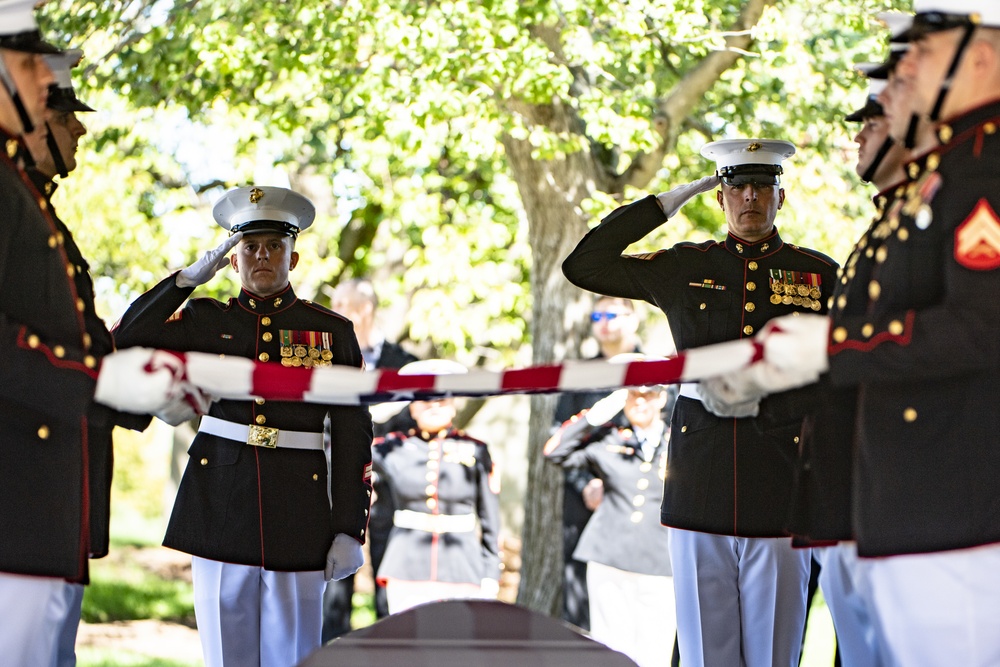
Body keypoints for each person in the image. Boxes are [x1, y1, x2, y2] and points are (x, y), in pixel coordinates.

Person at [709, 3, 1000, 664]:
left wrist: (827, 348)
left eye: (918, 61)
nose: (900, 83)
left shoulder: (981, 172)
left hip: (955, 500)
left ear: (981, 59)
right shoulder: (941, 183)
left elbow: (981, 328)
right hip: (902, 498)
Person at [562, 139, 838, 667]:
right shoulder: (684, 265)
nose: (750, 196)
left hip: (779, 488)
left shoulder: (818, 275)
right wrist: (667, 202)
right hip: (698, 485)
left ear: (782, 195)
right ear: (720, 195)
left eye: (763, 185)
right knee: (705, 657)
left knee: (775, 656)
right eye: (736, 185)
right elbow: (585, 265)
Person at [0, 4, 201, 664]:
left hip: (44, 510)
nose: (79, 125)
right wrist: (103, 380)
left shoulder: (33, 205)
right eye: (61, 106)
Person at [112, 185, 374, 667]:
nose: (262, 256)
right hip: (219, 501)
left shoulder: (332, 332)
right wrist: (183, 282)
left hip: (299, 508)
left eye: (275, 246)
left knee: (294, 653)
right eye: (250, 247)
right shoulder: (203, 319)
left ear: (294, 258)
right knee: (224, 654)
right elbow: (126, 340)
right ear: (232, 261)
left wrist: (347, 527)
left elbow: (353, 431)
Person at [545, 365, 674, 667]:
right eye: (632, 395)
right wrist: (595, 416)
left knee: (654, 651)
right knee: (610, 648)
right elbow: (555, 452)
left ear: (662, 399)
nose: (640, 401)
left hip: (659, 563)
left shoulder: (679, 443)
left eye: (649, 394)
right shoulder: (610, 440)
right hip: (609, 558)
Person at [322, 277, 417, 640]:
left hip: (391, 494)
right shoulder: (324, 362)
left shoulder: (404, 365)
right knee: (334, 584)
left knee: (387, 583)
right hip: (336, 490)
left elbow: (409, 428)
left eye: (343, 305)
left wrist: (376, 475)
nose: (336, 312)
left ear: (364, 310)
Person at [372, 359, 501, 614]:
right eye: (424, 398)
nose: (434, 405)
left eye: (442, 398)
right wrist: (382, 409)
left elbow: (490, 519)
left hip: (463, 565)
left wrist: (490, 572)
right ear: (411, 406)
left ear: (454, 404)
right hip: (406, 565)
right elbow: (344, 453)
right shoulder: (392, 448)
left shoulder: (476, 449)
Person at [551, 294, 641, 632]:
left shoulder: (658, 368)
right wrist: (584, 484)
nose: (603, 322)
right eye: (597, 315)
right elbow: (557, 436)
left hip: (639, 503)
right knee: (582, 604)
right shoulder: (579, 374)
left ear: (633, 318)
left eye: (612, 314)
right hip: (585, 501)